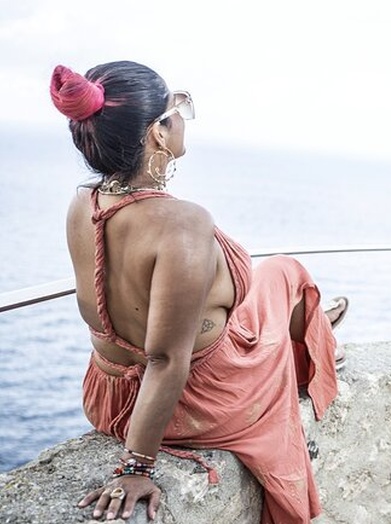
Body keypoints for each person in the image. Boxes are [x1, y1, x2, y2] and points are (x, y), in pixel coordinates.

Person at [49, 61, 349, 523]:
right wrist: (136, 466)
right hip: (189, 404)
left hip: (107, 394)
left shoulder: (83, 201)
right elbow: (167, 360)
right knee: (286, 272)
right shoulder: (183, 224)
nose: (182, 119)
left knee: (263, 285)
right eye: (177, 109)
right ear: (158, 135)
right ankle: (312, 339)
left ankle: (311, 331)